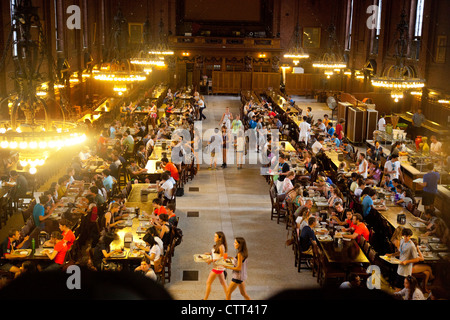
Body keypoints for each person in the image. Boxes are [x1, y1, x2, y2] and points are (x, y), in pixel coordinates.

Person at [203, 231, 228, 300]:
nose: (214, 237)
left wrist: (211, 260)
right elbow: (215, 253)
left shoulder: (221, 246)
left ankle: (205, 299)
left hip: (218, 268)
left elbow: (221, 257)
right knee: (223, 283)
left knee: (208, 282)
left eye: (216, 236)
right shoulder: (217, 245)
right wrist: (209, 253)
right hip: (218, 267)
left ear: (220, 238)